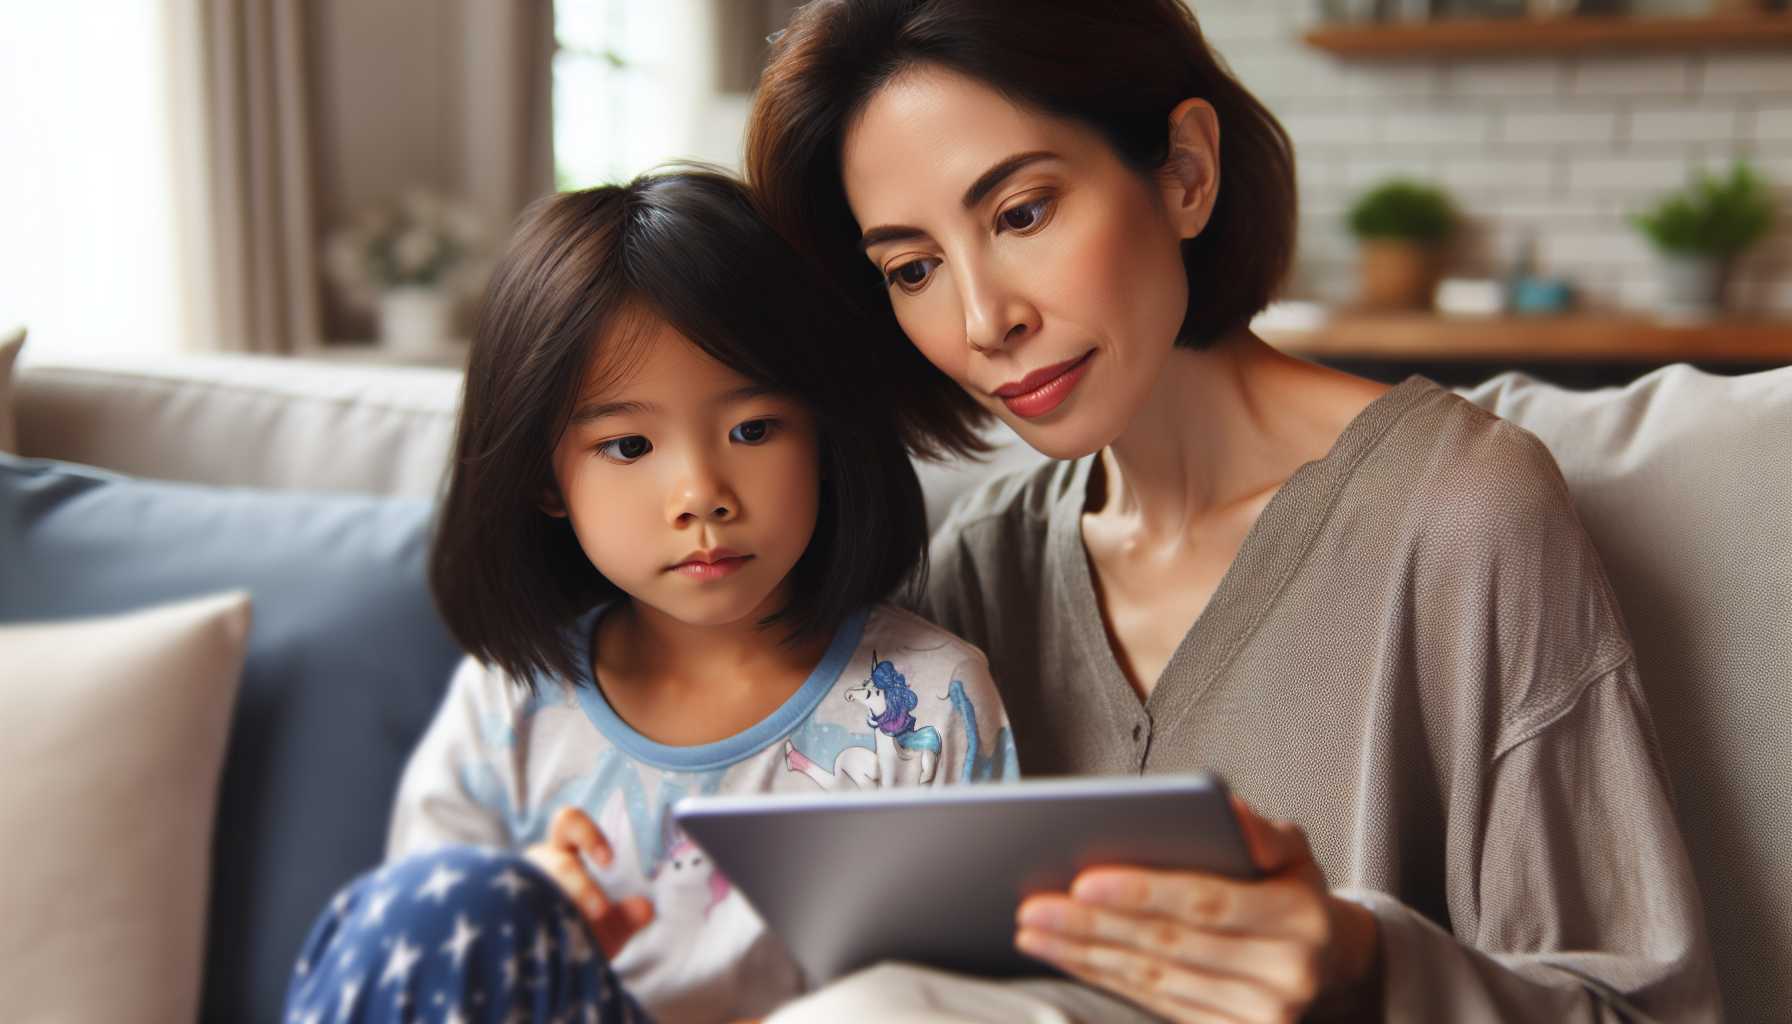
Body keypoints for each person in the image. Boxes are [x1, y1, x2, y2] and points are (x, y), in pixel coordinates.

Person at [745, 1, 1717, 1021]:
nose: (985, 319)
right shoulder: (978, 571)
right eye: (913, 269)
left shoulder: (1462, 515)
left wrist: (1363, 963)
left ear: (1183, 172)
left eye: (1022, 212)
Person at [282, 169, 1017, 1024]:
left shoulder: (928, 698)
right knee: (447, 909)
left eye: (753, 430)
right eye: (628, 445)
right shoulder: (511, 701)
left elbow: (964, 996)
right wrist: (532, 911)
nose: (700, 493)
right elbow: (414, 975)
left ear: (823, 435)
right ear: (546, 480)